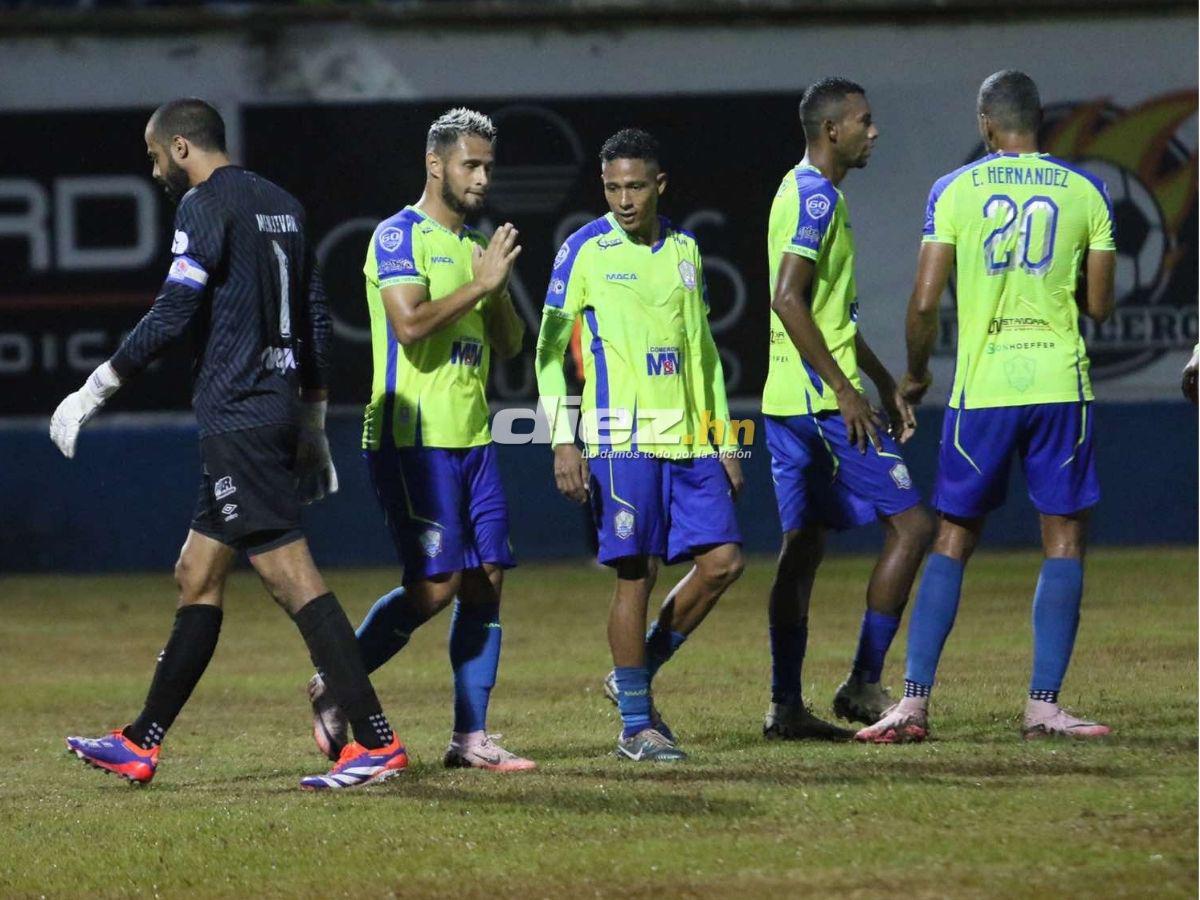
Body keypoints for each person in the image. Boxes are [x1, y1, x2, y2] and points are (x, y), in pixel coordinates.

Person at [52, 98, 406, 790]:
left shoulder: (204, 205)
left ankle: (376, 743)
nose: (154, 170)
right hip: (269, 410)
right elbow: (314, 319)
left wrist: (95, 388)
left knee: (290, 576)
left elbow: (175, 310)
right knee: (198, 573)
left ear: (183, 147)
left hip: (239, 416)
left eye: (155, 156)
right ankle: (140, 741)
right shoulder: (283, 204)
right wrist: (310, 421)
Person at [857, 70, 1117, 743]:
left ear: (986, 123)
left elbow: (923, 300)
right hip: (1060, 383)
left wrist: (913, 376)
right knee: (1062, 539)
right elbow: (1099, 304)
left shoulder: (955, 190)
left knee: (953, 536)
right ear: (1040, 123)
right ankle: (1043, 708)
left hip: (985, 387)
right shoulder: (1088, 191)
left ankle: (912, 703)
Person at [306, 108, 535, 772]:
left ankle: (471, 738)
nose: (482, 177)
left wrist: (495, 292)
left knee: (487, 578)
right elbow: (409, 325)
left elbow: (512, 343)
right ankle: (335, 682)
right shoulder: (396, 235)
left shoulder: (476, 248)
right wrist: (479, 284)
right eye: (471, 164)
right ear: (435, 164)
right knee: (436, 588)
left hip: (473, 439)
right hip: (411, 439)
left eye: (489, 165)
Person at [536, 128, 744, 762]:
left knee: (723, 562)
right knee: (637, 573)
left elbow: (703, 353)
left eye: (635, 186)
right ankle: (635, 726)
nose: (624, 199)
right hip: (620, 436)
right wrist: (562, 439)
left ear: (660, 185)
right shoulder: (583, 250)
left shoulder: (685, 248)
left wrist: (724, 435)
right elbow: (548, 353)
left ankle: (633, 673)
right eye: (612, 187)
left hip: (687, 435)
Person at [762, 78, 933, 740]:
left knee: (801, 547)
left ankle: (784, 708)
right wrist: (844, 388)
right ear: (832, 130)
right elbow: (786, 298)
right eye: (865, 120)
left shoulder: (800, 189)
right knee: (913, 528)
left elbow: (824, 312)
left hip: (789, 401)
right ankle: (863, 681)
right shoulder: (815, 197)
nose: (874, 131)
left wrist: (883, 378)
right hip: (819, 406)